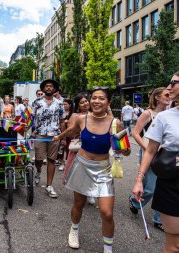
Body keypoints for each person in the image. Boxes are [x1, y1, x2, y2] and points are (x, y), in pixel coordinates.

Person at [54, 88, 130, 253]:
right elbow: (71, 131)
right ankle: (74, 230)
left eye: (101, 98)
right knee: (79, 204)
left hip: (103, 170)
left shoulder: (115, 123)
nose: (96, 101)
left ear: (108, 102)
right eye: (94, 98)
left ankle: (107, 248)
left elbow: (126, 151)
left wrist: (121, 145)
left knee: (107, 212)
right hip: (81, 166)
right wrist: (58, 137)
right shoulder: (82, 119)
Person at [132, 74, 179, 253]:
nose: (169, 87)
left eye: (173, 83)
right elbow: (150, 150)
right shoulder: (164, 117)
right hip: (171, 183)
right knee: (175, 246)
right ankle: (154, 216)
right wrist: (138, 179)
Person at [129, 87, 170, 231]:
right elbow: (135, 133)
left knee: (163, 187)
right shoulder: (148, 113)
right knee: (150, 187)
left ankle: (159, 219)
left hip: (165, 155)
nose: (169, 96)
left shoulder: (170, 114)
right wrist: (147, 149)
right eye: (166, 94)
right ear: (157, 97)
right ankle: (134, 201)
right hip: (149, 152)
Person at [32, 79, 65, 198]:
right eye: (47, 86)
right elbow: (32, 118)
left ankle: (49, 185)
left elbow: (62, 120)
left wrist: (63, 137)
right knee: (39, 159)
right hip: (40, 134)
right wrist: (32, 131)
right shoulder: (37, 102)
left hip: (54, 135)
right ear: (43, 88)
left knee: (51, 159)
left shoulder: (60, 103)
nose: (49, 88)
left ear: (54, 89)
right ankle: (38, 171)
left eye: (51, 86)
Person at [57, 98, 74, 171]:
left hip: (70, 133)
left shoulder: (73, 114)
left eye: (65, 104)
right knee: (61, 148)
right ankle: (61, 163)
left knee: (68, 148)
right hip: (61, 133)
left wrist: (68, 122)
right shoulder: (60, 112)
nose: (64, 106)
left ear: (70, 105)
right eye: (63, 104)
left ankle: (67, 163)